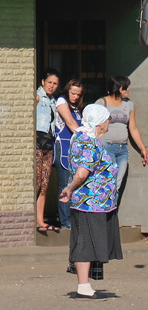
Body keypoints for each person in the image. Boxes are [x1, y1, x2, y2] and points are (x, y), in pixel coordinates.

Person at [59, 103, 121, 298]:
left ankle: (84, 284)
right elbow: (82, 172)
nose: (108, 124)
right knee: (85, 242)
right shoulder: (88, 141)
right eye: (106, 120)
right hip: (89, 202)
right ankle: (83, 286)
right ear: (99, 122)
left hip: (94, 203)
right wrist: (70, 188)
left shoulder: (84, 137)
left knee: (86, 241)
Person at [96, 75, 148, 204]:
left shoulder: (129, 105)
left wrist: (143, 148)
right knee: (107, 181)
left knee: (117, 183)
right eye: (125, 87)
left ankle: (110, 213)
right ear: (118, 88)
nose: (128, 90)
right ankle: (102, 211)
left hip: (122, 150)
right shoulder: (101, 103)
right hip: (106, 147)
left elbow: (133, 128)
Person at [53, 79, 85, 231]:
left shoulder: (77, 108)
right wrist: (86, 136)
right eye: (73, 93)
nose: (76, 97)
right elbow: (71, 122)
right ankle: (65, 221)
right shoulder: (61, 101)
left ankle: (73, 219)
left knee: (74, 184)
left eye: (78, 94)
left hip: (74, 151)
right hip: (63, 147)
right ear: (67, 91)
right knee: (64, 184)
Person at [34, 69, 60, 234]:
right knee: (35, 182)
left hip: (48, 144)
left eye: (55, 83)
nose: (52, 86)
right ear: (43, 82)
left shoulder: (54, 102)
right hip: (36, 142)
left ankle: (40, 220)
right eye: (49, 82)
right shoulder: (37, 97)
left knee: (44, 184)